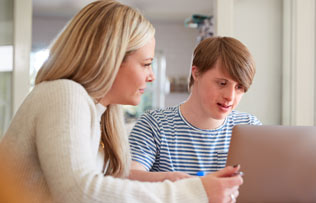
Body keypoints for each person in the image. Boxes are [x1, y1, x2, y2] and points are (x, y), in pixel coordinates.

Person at [0, 1, 243, 202]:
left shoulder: (101, 114)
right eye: (146, 64)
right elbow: (78, 192)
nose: (152, 76)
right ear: (111, 58)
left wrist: (181, 180)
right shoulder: (64, 94)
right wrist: (196, 192)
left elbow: (109, 186)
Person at [129, 36, 261, 182]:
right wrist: (173, 180)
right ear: (196, 73)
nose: (230, 97)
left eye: (239, 87)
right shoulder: (154, 124)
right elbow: (129, 176)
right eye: (222, 83)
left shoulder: (249, 126)